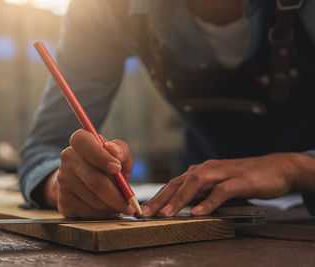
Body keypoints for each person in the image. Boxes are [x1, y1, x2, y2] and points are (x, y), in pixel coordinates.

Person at [18, 0, 315, 218]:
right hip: (206, 219)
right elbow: (45, 147)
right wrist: (67, 183)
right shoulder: (103, 8)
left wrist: (297, 168)